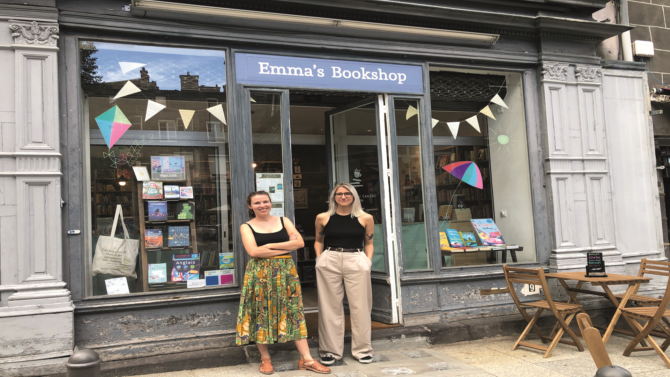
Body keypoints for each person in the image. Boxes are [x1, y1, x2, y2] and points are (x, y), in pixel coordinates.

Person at [236, 191, 330, 375]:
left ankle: (307, 359)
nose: (262, 205)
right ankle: (265, 359)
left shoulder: (284, 220)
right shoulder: (246, 226)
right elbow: (254, 252)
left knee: (293, 311)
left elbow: (300, 243)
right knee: (260, 312)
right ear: (250, 206)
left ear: (271, 203)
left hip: (286, 273)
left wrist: (268, 247)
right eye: (257, 203)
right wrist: (285, 245)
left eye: (265, 201)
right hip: (259, 274)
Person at [314, 183, 375, 365]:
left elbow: (369, 243)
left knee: (360, 306)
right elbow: (318, 240)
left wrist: (367, 262)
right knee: (329, 306)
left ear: (354, 196)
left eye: (347, 193)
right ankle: (330, 351)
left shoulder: (365, 218)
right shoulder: (323, 217)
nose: (343, 196)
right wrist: (320, 259)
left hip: (355, 258)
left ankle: (363, 349)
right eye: (339, 194)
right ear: (333, 197)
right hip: (330, 258)